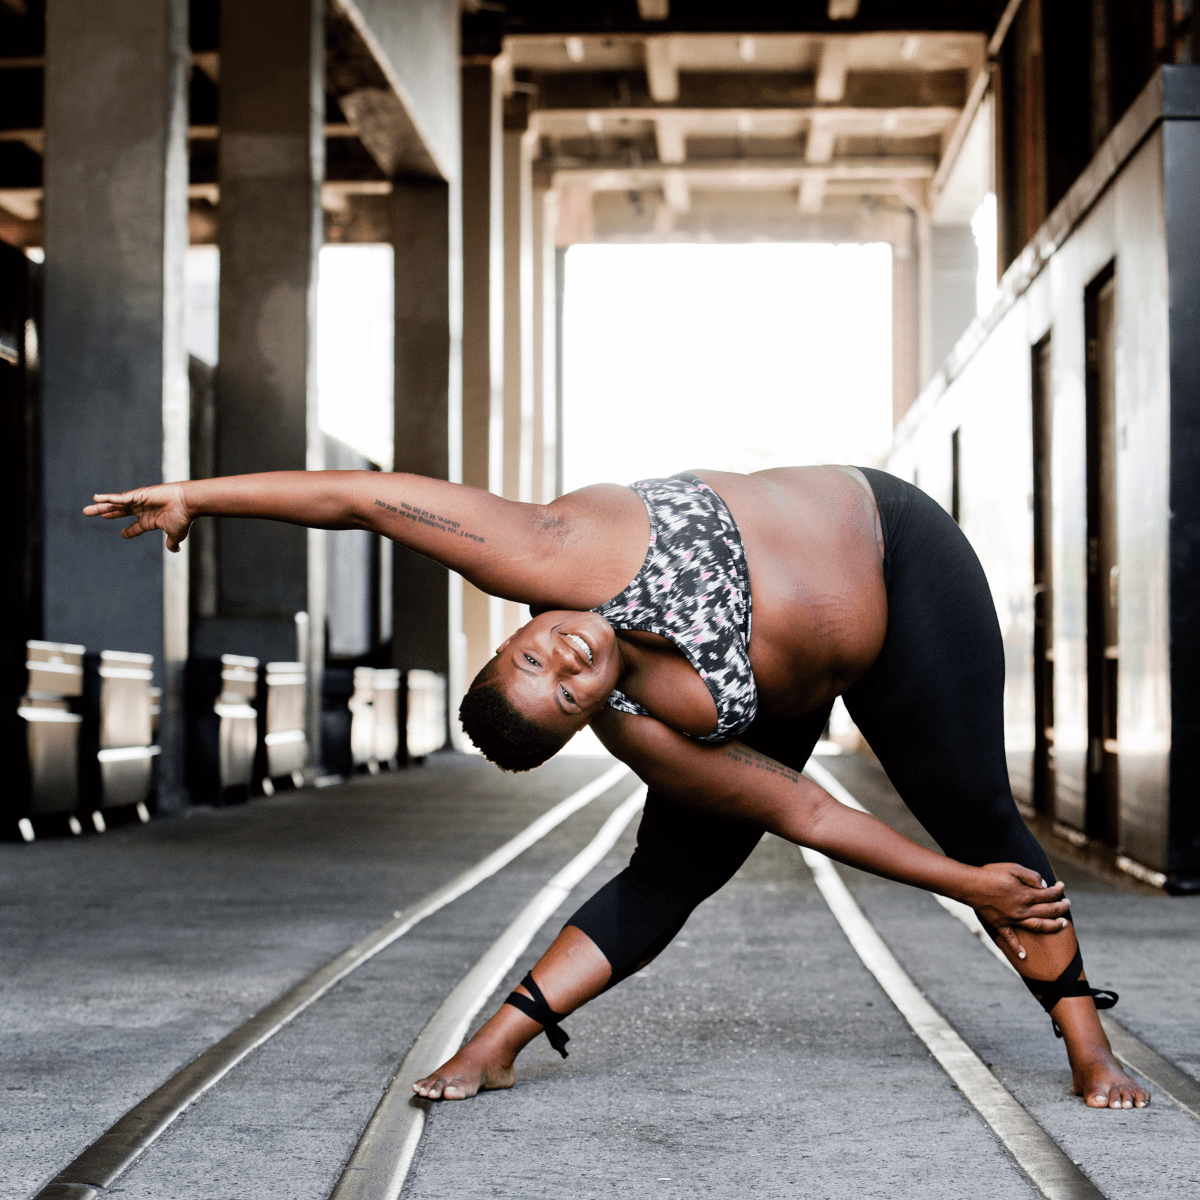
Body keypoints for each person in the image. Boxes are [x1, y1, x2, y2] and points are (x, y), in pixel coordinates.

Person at [84, 464, 1149, 1110]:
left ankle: (1085, 1043)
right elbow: (810, 812)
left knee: (983, 823)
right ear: (587, 722)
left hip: (900, 566)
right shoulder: (654, 731)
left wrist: (197, 497)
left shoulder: (544, 549)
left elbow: (363, 498)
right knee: (670, 873)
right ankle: (497, 1043)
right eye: (561, 692)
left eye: (532, 654)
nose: (565, 658)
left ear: (514, 629)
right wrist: (961, 889)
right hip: (761, 699)